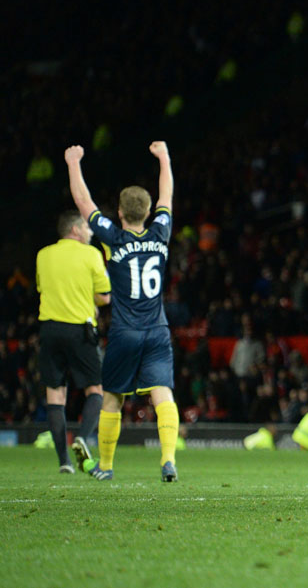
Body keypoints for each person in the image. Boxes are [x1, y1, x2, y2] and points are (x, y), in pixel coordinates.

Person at [65, 141, 180, 482]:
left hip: (125, 332)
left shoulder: (113, 239)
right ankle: (169, 459)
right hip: (157, 330)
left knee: (113, 397)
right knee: (163, 395)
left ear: (119, 212)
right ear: (147, 212)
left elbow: (83, 203)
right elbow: (167, 196)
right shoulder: (161, 232)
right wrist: (163, 158)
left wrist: (74, 163)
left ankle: (107, 465)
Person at [35, 210, 111, 473]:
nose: (91, 233)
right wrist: (90, 299)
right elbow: (104, 296)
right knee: (96, 390)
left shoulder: (43, 255)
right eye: (88, 229)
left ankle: (64, 462)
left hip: (49, 330)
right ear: (76, 230)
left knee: (55, 395)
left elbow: (43, 288)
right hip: (80, 330)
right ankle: (83, 436)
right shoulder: (90, 254)